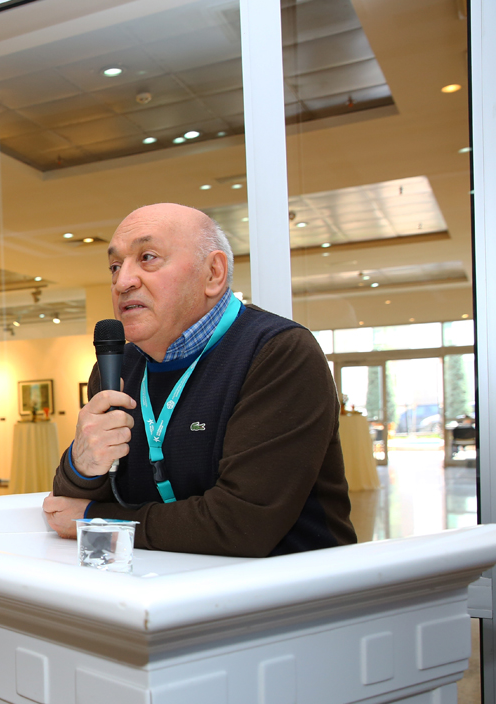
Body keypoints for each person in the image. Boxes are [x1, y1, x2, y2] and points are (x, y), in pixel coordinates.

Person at [43, 203, 355, 556]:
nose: (123, 281)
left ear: (213, 274)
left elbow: (241, 525)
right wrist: (82, 466)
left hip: (289, 585)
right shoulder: (116, 368)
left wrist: (98, 522)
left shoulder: (277, 353)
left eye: (147, 258)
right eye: (115, 266)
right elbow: (64, 509)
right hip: (154, 580)